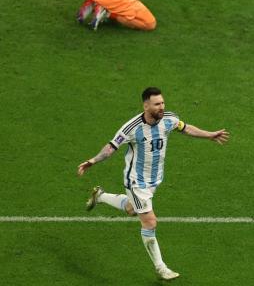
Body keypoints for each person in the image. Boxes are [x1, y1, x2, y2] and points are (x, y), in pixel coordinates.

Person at [77, 87, 229, 280]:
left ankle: (100, 196)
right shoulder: (132, 128)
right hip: (137, 182)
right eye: (157, 104)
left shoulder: (169, 118)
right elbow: (111, 147)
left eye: (163, 103)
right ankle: (161, 267)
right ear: (146, 105)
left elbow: (185, 128)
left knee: (132, 209)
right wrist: (93, 160)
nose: (162, 107)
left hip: (155, 180)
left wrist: (209, 135)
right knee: (149, 221)